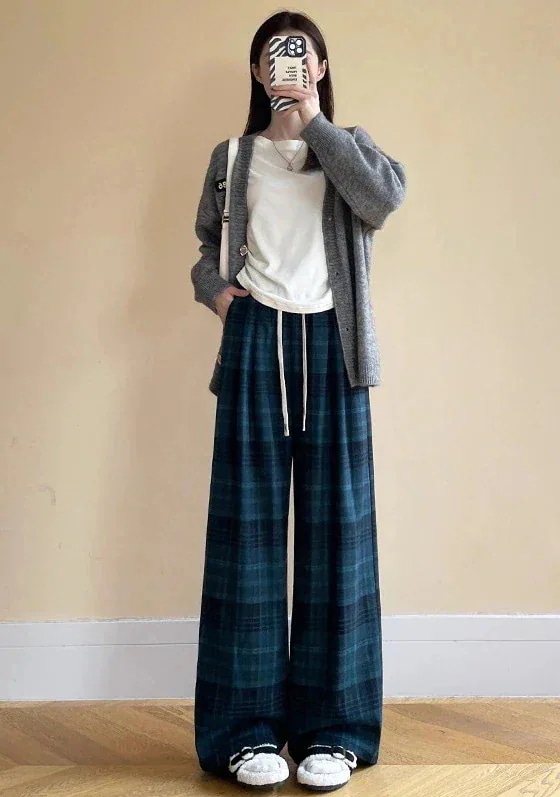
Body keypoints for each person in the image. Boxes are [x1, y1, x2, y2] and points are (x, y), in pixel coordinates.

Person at [191, 10, 406, 792]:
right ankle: (244, 731)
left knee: (338, 539)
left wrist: (314, 122)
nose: (287, 65)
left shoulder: (349, 148)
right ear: (256, 72)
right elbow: (206, 248)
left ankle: (334, 731)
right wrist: (219, 296)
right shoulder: (233, 156)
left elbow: (383, 199)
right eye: (274, 56)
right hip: (256, 340)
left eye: (301, 54)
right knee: (246, 536)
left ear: (319, 67)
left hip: (332, 348)